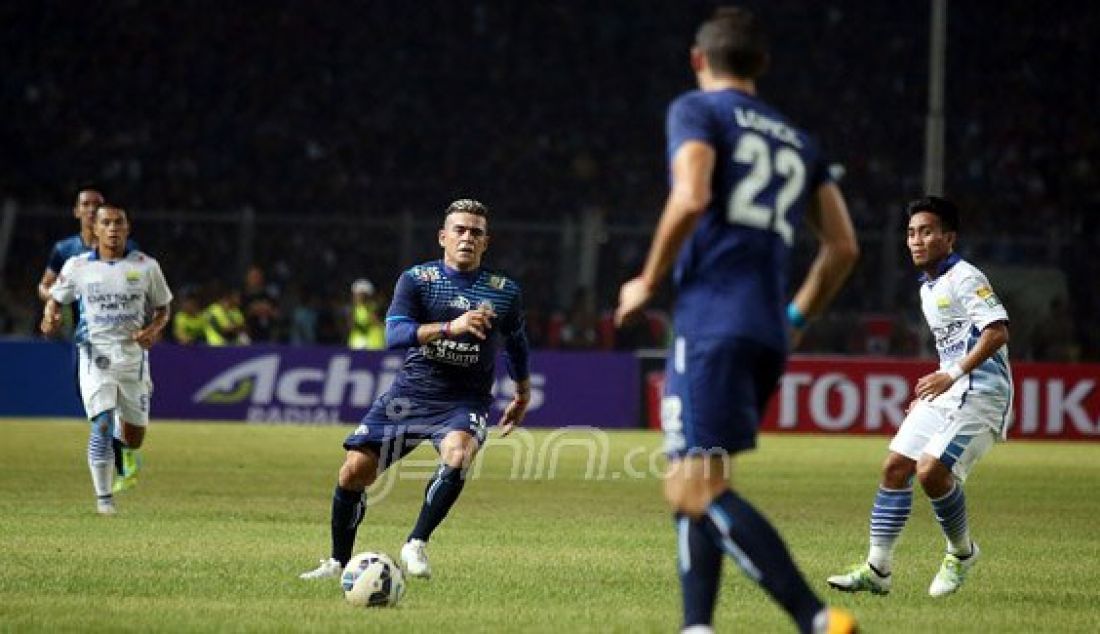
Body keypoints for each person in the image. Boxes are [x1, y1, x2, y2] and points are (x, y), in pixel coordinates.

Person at [613, 8, 860, 633]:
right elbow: (844, 246)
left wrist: (647, 279)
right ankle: (698, 626)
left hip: (710, 322)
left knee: (690, 489)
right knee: (699, 471)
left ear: (699, 60)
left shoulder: (697, 111)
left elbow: (692, 194)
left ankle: (817, 619)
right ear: (762, 65)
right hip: (766, 327)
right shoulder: (800, 140)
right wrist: (798, 314)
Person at [300, 198, 531, 581]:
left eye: (476, 232)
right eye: (459, 230)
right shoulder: (418, 280)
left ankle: (416, 541)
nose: (467, 238)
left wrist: (522, 393)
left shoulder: (504, 291)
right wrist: (449, 327)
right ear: (443, 236)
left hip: (464, 399)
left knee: (459, 454)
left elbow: (518, 344)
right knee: (354, 472)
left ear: (486, 242)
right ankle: (338, 562)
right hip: (410, 395)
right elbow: (395, 334)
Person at [827, 196, 1012, 598]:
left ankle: (961, 553)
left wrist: (952, 375)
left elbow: (997, 332)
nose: (916, 240)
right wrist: (936, 391)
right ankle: (878, 569)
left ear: (949, 237)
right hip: (949, 390)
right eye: (911, 233)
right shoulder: (929, 286)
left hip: (982, 393)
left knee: (931, 472)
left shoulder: (965, 277)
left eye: (927, 232)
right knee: (895, 467)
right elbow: (954, 344)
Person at [41, 204, 172, 515]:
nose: (113, 229)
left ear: (127, 229)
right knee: (100, 423)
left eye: (118, 223)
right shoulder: (77, 266)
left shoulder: (145, 267)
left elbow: (164, 309)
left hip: (133, 358)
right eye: (106, 223)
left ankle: (124, 449)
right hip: (94, 353)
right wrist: (51, 317)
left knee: (133, 438)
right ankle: (104, 501)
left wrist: (153, 330)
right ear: (95, 229)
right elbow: (55, 299)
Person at [38, 187, 141, 485]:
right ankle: (116, 447)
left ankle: (123, 448)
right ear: (77, 212)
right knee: (93, 400)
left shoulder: (127, 247)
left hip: (122, 339)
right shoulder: (65, 250)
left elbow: (141, 285)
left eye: (97, 204)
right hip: (86, 339)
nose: (91, 208)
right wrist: (55, 302)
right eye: (85, 204)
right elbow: (45, 285)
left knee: (122, 400)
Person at [345, 278, 385, 350]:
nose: (356, 296)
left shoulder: (373, 307)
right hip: (356, 343)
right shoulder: (353, 308)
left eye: (359, 294)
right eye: (355, 293)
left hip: (373, 343)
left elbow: (376, 322)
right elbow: (350, 326)